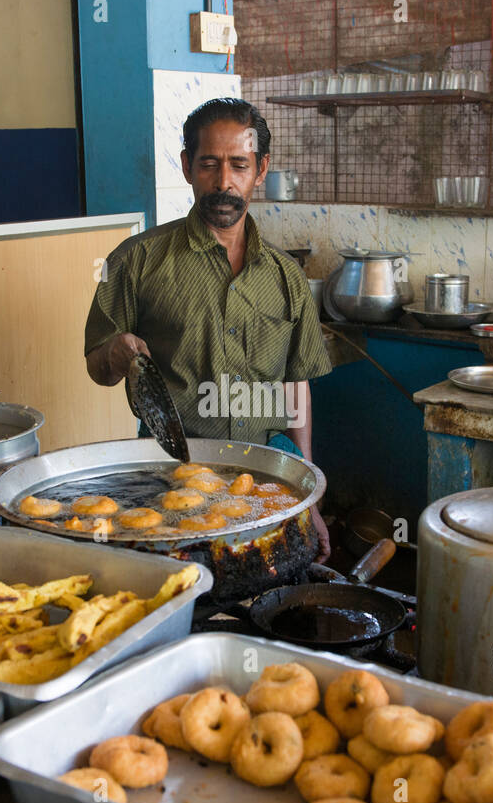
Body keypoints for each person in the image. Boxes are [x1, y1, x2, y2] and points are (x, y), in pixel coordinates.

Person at [84, 97, 333, 560]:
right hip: (169, 468)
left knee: (266, 586)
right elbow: (98, 367)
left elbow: (296, 385)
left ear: (261, 169)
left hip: (265, 467)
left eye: (239, 165)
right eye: (209, 165)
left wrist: (308, 495)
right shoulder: (135, 262)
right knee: (177, 585)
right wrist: (115, 352)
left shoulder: (286, 277)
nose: (224, 183)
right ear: (186, 167)